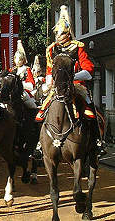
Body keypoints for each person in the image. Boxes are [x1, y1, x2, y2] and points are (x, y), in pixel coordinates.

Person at [35, 5, 106, 156]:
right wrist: (49, 83)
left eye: (61, 34)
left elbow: (88, 69)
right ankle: (39, 144)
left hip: (76, 85)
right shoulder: (51, 49)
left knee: (90, 110)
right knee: (41, 112)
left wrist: (72, 77)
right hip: (57, 86)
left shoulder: (77, 47)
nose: (59, 37)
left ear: (67, 33)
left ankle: (97, 141)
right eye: (57, 34)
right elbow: (49, 69)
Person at [10, 40, 37, 109]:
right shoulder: (11, 70)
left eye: (20, 59)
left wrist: (21, 85)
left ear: (23, 60)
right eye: (16, 59)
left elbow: (32, 84)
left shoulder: (26, 69)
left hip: (24, 91)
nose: (18, 61)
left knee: (30, 104)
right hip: (12, 91)